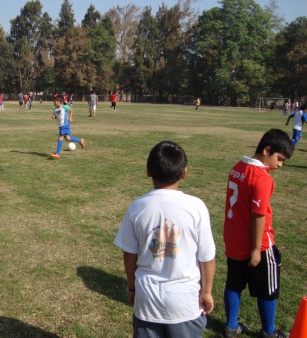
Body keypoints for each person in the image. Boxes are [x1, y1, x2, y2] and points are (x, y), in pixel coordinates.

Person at [114, 141, 216, 338]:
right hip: (186, 303)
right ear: (184, 172)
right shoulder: (196, 207)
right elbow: (207, 257)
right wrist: (206, 291)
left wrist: (132, 287)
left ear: (148, 171)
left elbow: (129, 254)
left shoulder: (137, 207)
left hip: (147, 301)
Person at [223, 129, 293, 338]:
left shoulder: (237, 167)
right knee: (267, 289)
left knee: (234, 283)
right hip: (258, 245)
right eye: (279, 159)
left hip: (234, 240)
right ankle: (269, 331)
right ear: (267, 150)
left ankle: (231, 326)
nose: (279, 165)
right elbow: (258, 216)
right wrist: (255, 249)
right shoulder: (262, 178)